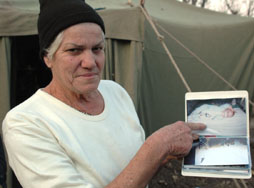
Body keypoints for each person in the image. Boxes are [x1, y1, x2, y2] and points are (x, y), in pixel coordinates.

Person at [2, 0, 206, 187]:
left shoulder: (115, 92)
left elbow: (133, 169)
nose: (90, 62)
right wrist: (156, 146)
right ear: (48, 57)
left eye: (97, 48)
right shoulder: (25, 122)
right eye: (74, 50)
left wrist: (165, 153)